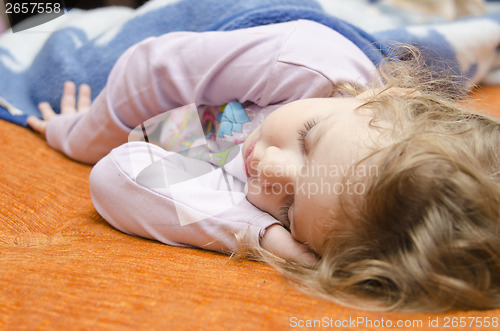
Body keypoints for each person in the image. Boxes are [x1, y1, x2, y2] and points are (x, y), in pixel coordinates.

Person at [27, 19, 500, 312]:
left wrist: (262, 236)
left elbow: (122, 169)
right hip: (241, 34)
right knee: (55, 34)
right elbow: (149, 69)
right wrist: (78, 134)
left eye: (291, 207)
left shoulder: (289, 211)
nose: (267, 168)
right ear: (386, 98)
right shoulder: (307, 62)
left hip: (214, 113)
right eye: (308, 139)